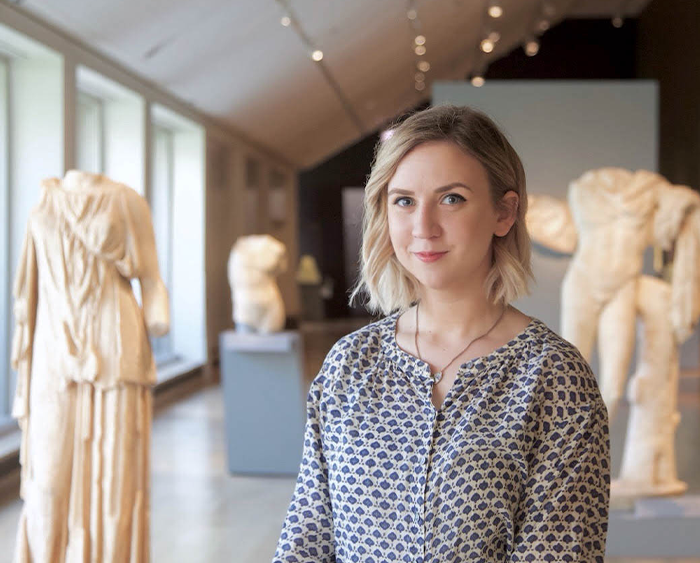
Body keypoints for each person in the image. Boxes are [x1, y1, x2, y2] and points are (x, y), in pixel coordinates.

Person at [272, 105, 610, 562]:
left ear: (504, 213)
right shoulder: (349, 364)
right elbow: (307, 536)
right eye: (404, 200)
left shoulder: (553, 377)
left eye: (451, 198)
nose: (423, 228)